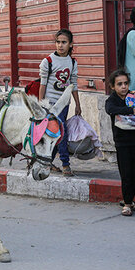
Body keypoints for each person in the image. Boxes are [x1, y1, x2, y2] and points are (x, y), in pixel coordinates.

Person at [104, 69, 135, 217]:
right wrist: (131, 110)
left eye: (126, 83)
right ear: (113, 87)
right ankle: (127, 204)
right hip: (122, 143)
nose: (124, 87)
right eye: (119, 84)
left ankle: (130, 200)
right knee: (126, 175)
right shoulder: (112, 100)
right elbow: (110, 109)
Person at [38, 29, 82, 176]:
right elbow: (43, 84)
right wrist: (41, 104)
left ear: (70, 44)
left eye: (64, 42)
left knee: (57, 133)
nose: (60, 45)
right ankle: (65, 164)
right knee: (62, 131)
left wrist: (77, 104)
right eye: (58, 42)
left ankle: (47, 162)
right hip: (50, 104)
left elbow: (73, 84)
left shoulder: (72, 62)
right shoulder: (48, 61)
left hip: (64, 104)